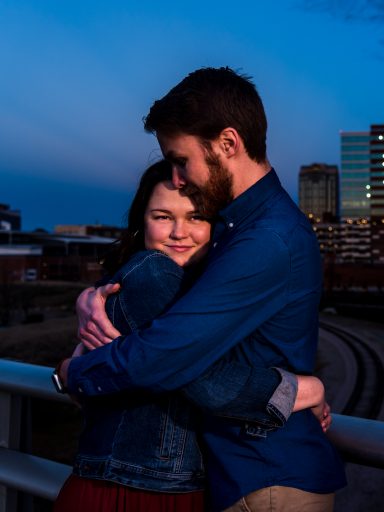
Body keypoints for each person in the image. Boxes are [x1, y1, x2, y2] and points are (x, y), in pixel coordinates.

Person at [56, 67, 347, 511]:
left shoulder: (265, 239)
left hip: (265, 479)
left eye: (180, 159)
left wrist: (73, 374)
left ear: (228, 144)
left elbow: (170, 356)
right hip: (242, 475)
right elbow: (171, 310)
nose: (176, 178)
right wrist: (101, 296)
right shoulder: (238, 226)